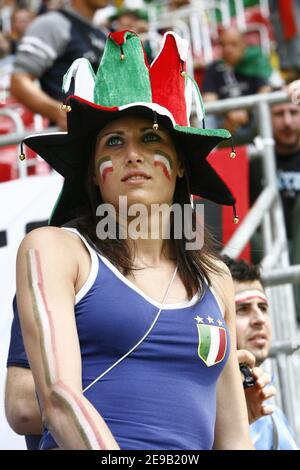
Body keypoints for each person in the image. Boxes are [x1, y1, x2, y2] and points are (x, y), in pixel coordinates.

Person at [11, 30, 253, 450]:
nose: (133, 154)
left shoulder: (217, 279)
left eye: (151, 138)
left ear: (179, 165)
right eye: (114, 142)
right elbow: (58, 399)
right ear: (91, 171)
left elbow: (233, 438)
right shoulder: (54, 250)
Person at [223, 255, 299, 450]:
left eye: (263, 308)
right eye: (242, 309)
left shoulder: (272, 412)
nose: (259, 319)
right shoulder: (200, 410)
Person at [10, 0, 110, 131]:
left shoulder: (102, 33)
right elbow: (19, 81)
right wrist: (59, 112)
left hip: (103, 133)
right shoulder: (52, 24)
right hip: (74, 137)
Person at [250, 92, 300, 320]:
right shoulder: (252, 160)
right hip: (267, 246)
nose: (287, 122)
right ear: (266, 118)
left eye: (294, 113)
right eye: (279, 114)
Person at [202, 26, 270, 143]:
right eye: (223, 45)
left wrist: (246, 109)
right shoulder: (214, 68)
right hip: (225, 124)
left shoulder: (254, 63)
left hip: (254, 120)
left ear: (243, 45)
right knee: (204, 117)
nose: (227, 49)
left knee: (266, 108)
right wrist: (228, 113)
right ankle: (208, 156)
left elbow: (265, 90)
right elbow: (208, 100)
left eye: (233, 44)